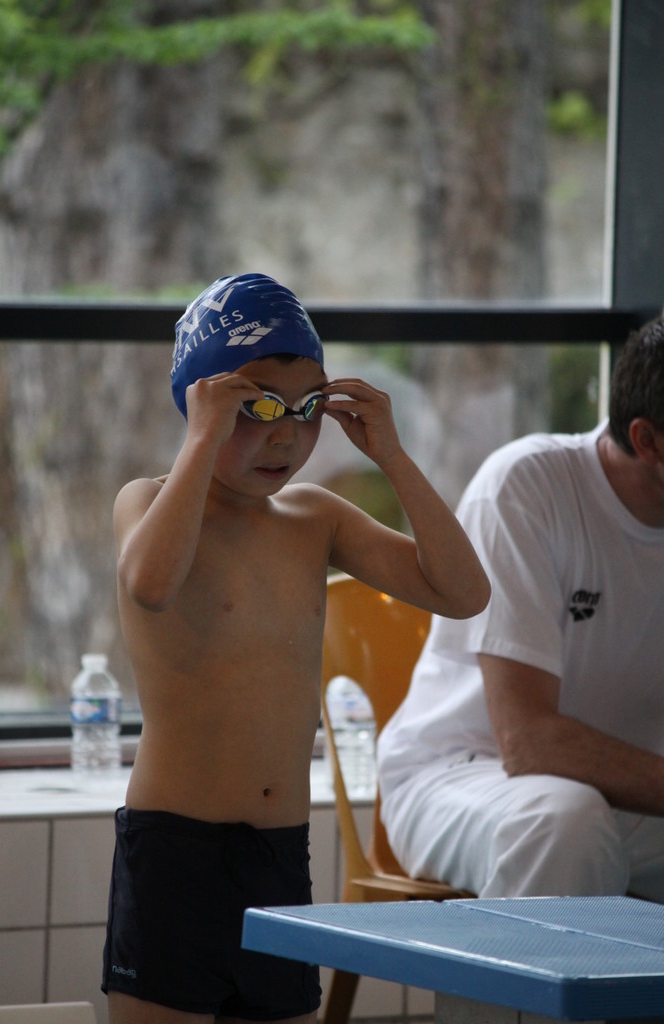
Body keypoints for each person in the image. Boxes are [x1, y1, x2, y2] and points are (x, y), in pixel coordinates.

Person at [102, 272, 490, 1023]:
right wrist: (203, 437)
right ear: (201, 404)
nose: (286, 435)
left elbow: (463, 591)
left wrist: (393, 458)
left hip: (279, 854)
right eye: (256, 409)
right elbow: (149, 583)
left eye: (308, 409)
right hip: (175, 853)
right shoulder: (147, 502)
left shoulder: (314, 518)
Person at [378, 315, 664, 902]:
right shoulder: (526, 486)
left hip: (630, 795)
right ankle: (511, 972)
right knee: (565, 822)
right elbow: (529, 742)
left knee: (579, 814)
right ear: (648, 441)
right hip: (465, 773)